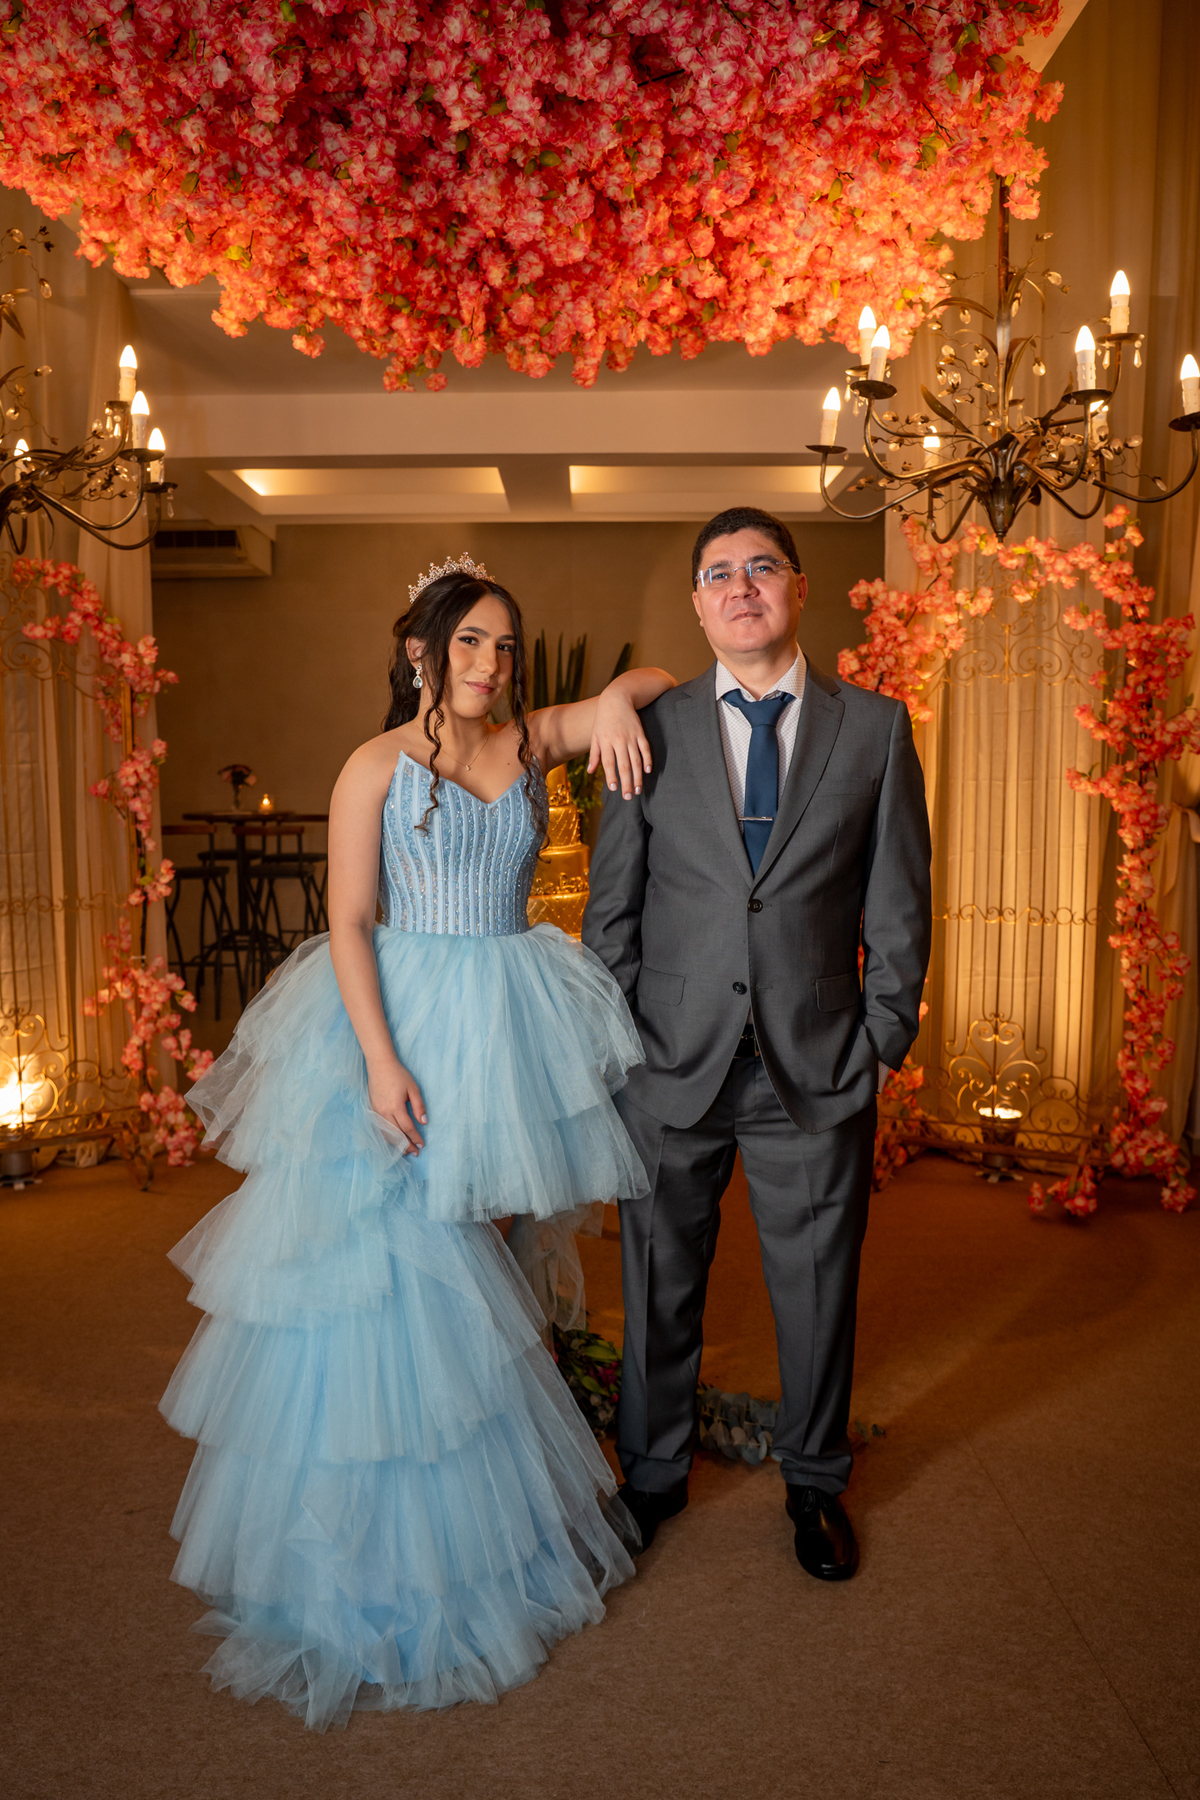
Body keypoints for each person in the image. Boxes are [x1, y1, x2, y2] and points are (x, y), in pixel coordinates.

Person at [160, 555, 676, 1731]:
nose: (490, 663)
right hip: (403, 1022)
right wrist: (383, 1061)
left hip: (510, 1019)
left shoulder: (528, 742)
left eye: (505, 645)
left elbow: (656, 678)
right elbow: (348, 921)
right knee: (398, 1274)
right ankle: (368, 1567)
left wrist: (611, 702)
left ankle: (476, 1536)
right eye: (469, 643)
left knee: (485, 1265)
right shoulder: (374, 766)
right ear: (421, 653)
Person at [584, 507, 932, 1580]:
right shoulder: (648, 727)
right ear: (698, 604)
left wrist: (882, 1039)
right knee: (658, 1283)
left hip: (816, 1066)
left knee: (818, 1286)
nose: (741, 587)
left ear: (797, 587)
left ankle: (816, 1483)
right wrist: (617, 1045)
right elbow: (612, 909)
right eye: (719, 573)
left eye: (762, 567)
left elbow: (901, 902)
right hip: (668, 1061)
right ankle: (652, 1474)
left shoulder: (875, 729)